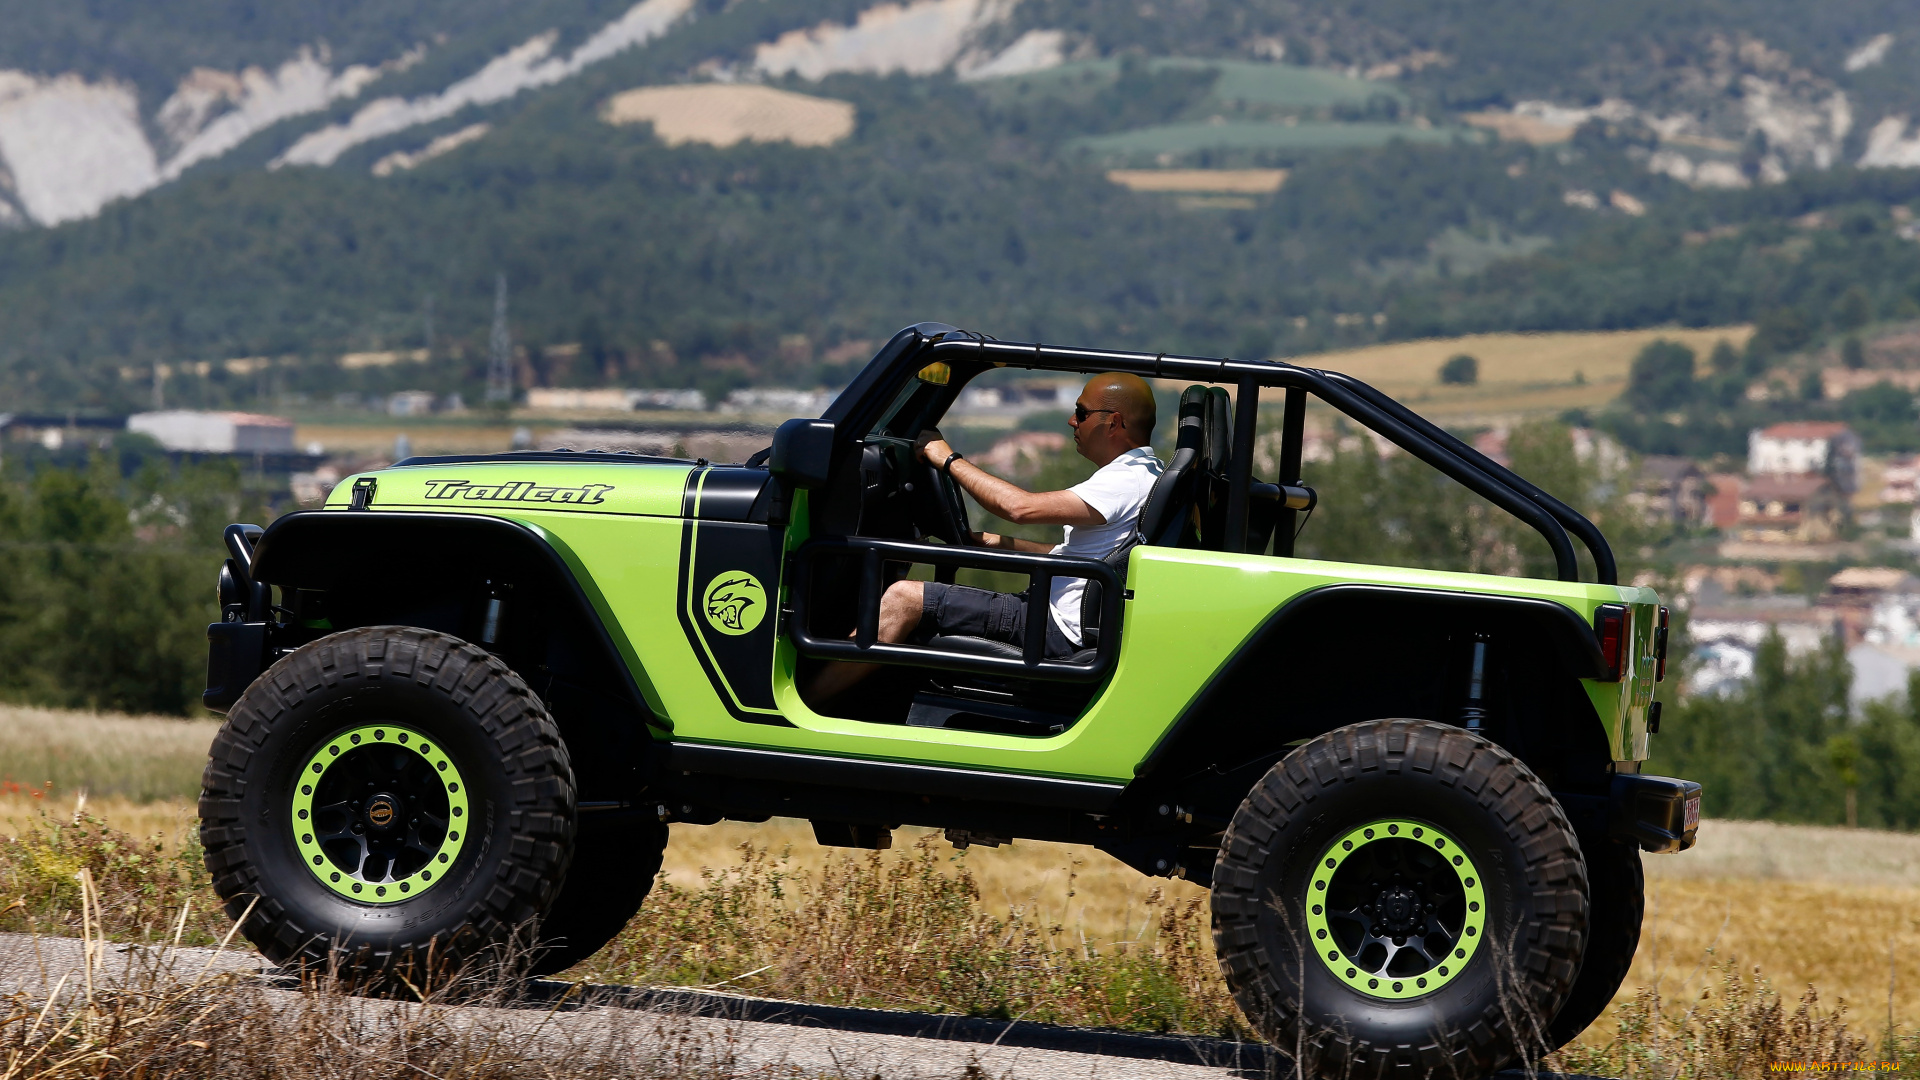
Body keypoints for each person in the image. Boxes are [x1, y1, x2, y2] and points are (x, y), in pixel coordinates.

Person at [808, 371, 1162, 703]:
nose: (1072, 421)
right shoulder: (1142, 472)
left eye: (1080, 413)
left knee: (902, 598)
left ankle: (799, 710)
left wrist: (948, 459)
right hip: (1054, 615)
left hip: (1055, 629)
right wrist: (995, 542)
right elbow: (1081, 555)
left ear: (1113, 422)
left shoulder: (1126, 481)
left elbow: (1020, 509)